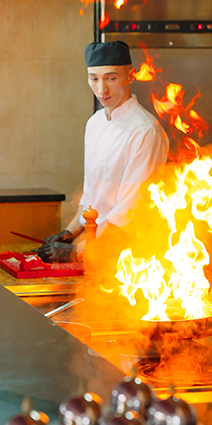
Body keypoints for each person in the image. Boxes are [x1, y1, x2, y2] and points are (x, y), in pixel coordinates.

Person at [39, 41, 168, 263]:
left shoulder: (145, 130)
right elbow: (92, 193)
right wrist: (71, 232)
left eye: (111, 78)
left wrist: (79, 251)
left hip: (129, 256)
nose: (101, 89)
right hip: (93, 249)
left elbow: (131, 208)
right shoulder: (95, 123)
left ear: (130, 76)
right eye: (94, 78)